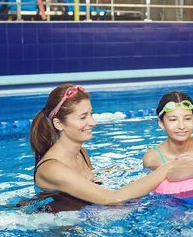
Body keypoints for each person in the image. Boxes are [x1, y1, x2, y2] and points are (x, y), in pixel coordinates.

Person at [29, 83, 175, 207]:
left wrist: (119, 170)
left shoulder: (81, 153)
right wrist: (164, 169)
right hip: (60, 233)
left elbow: (91, 183)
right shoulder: (52, 169)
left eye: (91, 114)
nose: (92, 122)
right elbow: (111, 198)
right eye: (83, 117)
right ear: (59, 123)